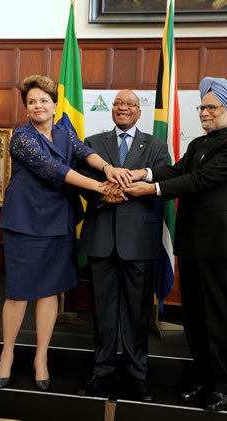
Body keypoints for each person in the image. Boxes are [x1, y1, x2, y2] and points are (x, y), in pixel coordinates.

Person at [0, 75, 131, 392]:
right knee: (18, 293)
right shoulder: (22, 138)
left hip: (59, 222)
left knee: (49, 292)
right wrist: (101, 186)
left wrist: (108, 169)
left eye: (44, 100)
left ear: (54, 104)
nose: (38, 106)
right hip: (25, 225)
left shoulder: (63, 130)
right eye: (31, 102)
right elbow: (54, 170)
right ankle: (7, 353)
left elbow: (83, 152)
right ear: (26, 109)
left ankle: (41, 357)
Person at [124, 77, 227, 411]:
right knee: (194, 318)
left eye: (211, 107)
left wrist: (151, 190)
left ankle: (222, 384)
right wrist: (144, 174)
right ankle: (202, 378)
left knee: (218, 318)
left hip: (218, 245)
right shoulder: (199, 144)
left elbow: (199, 180)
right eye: (202, 107)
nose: (204, 112)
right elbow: (177, 170)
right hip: (192, 242)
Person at [77, 89, 168, 401]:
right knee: (102, 312)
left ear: (139, 111)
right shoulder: (92, 143)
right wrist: (103, 194)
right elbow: (81, 179)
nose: (123, 108)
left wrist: (123, 191)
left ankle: (136, 375)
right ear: (111, 109)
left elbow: (163, 180)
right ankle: (101, 372)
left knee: (137, 314)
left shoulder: (155, 145)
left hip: (139, 243)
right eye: (118, 103)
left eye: (130, 104)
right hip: (101, 238)